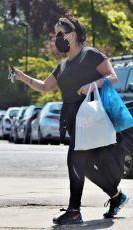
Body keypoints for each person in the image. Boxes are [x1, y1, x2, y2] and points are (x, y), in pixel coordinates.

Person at [11, 11, 129, 225]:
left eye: (60, 34)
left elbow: (112, 76)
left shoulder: (91, 54)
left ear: (72, 35)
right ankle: (116, 195)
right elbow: (45, 87)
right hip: (76, 123)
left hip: (93, 120)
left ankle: (74, 211)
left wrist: (93, 84)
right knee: (83, 164)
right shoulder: (63, 65)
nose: (57, 38)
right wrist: (22, 77)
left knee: (75, 160)